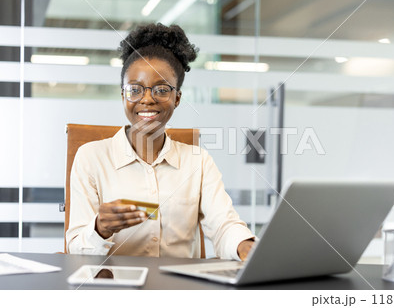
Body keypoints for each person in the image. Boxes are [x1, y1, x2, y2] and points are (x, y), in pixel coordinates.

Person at [66, 23, 255, 260]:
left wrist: (245, 246)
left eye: (161, 90)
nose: (147, 99)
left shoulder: (198, 162)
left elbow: (224, 225)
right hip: (115, 287)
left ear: (177, 98)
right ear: (123, 94)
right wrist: (100, 229)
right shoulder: (90, 158)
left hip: (180, 289)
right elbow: (75, 248)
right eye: (135, 89)